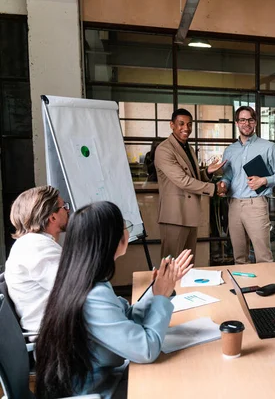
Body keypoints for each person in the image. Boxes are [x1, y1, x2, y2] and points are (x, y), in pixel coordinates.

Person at [34, 201, 194, 399]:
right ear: (110, 240)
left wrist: (156, 290)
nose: (127, 230)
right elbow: (146, 350)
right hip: (95, 391)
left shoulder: (82, 279)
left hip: (99, 381)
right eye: (123, 225)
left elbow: (125, 318)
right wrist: (160, 296)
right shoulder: (93, 296)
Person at [218, 106, 275, 264]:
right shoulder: (230, 150)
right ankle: (244, 287)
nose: (247, 123)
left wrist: (264, 180)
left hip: (256, 204)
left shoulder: (268, 147)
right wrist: (223, 184)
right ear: (237, 123)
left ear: (255, 122)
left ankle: (266, 288)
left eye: (250, 119)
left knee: (263, 256)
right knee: (239, 257)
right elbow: (229, 175)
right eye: (242, 120)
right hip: (234, 205)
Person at [155, 108, 226, 262]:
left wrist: (207, 172)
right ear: (172, 125)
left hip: (190, 214)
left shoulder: (188, 148)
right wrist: (214, 188)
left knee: (187, 266)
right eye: (181, 124)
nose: (186, 128)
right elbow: (182, 180)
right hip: (174, 216)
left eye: (189, 124)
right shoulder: (164, 150)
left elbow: (191, 176)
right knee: (171, 266)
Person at [4, 186, 69, 334]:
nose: (68, 210)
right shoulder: (36, 246)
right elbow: (75, 288)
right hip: (56, 341)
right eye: (64, 207)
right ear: (52, 217)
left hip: (61, 332)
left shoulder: (33, 244)